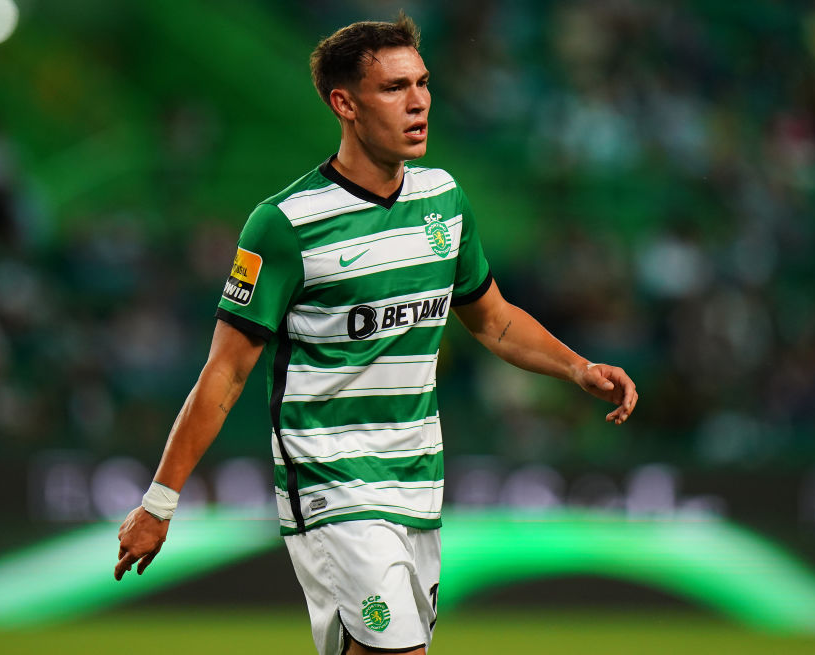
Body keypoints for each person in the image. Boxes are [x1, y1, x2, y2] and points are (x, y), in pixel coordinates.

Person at [114, 13, 637, 655]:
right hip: (333, 483)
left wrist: (578, 368)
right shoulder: (284, 225)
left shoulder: (444, 199)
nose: (418, 102)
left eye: (421, 83)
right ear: (345, 104)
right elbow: (225, 372)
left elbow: (494, 319)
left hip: (418, 480)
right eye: (393, 88)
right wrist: (160, 502)